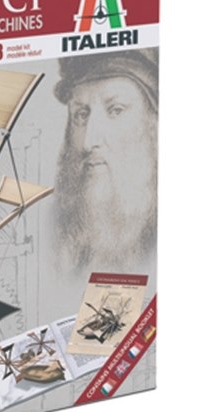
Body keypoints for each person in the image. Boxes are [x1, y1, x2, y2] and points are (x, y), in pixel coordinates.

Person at [53, 49, 158, 272]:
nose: (88, 142)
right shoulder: (59, 237)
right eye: (82, 114)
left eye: (115, 110)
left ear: (153, 124)